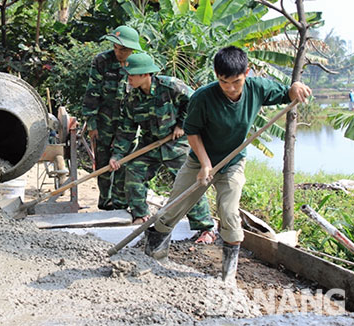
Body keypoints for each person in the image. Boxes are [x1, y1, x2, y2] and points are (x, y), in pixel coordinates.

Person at [143, 46, 311, 283]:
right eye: (224, 82)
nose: (230, 88)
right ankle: (153, 257)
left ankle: (227, 277)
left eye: (236, 82)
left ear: (247, 73)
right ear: (216, 75)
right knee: (173, 208)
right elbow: (192, 132)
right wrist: (204, 164)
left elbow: (287, 92)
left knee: (230, 214)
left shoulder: (257, 88)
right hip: (199, 162)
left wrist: (295, 88)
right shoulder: (202, 97)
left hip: (232, 162)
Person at [108, 53, 216, 244]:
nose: (129, 78)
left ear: (145, 74)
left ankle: (205, 228)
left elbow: (196, 103)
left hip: (178, 143)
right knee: (133, 170)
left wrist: (182, 124)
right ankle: (141, 216)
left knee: (191, 182)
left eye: (132, 74)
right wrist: (117, 155)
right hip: (151, 143)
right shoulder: (132, 98)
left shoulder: (171, 86)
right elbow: (127, 129)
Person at [82, 26, 141, 210]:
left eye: (122, 49)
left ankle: (120, 202)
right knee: (103, 160)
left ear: (132, 49)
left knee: (124, 161)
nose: (118, 52)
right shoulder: (102, 61)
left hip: (129, 123)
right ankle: (105, 202)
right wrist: (92, 123)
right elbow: (92, 92)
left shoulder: (139, 63)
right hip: (104, 121)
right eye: (115, 47)